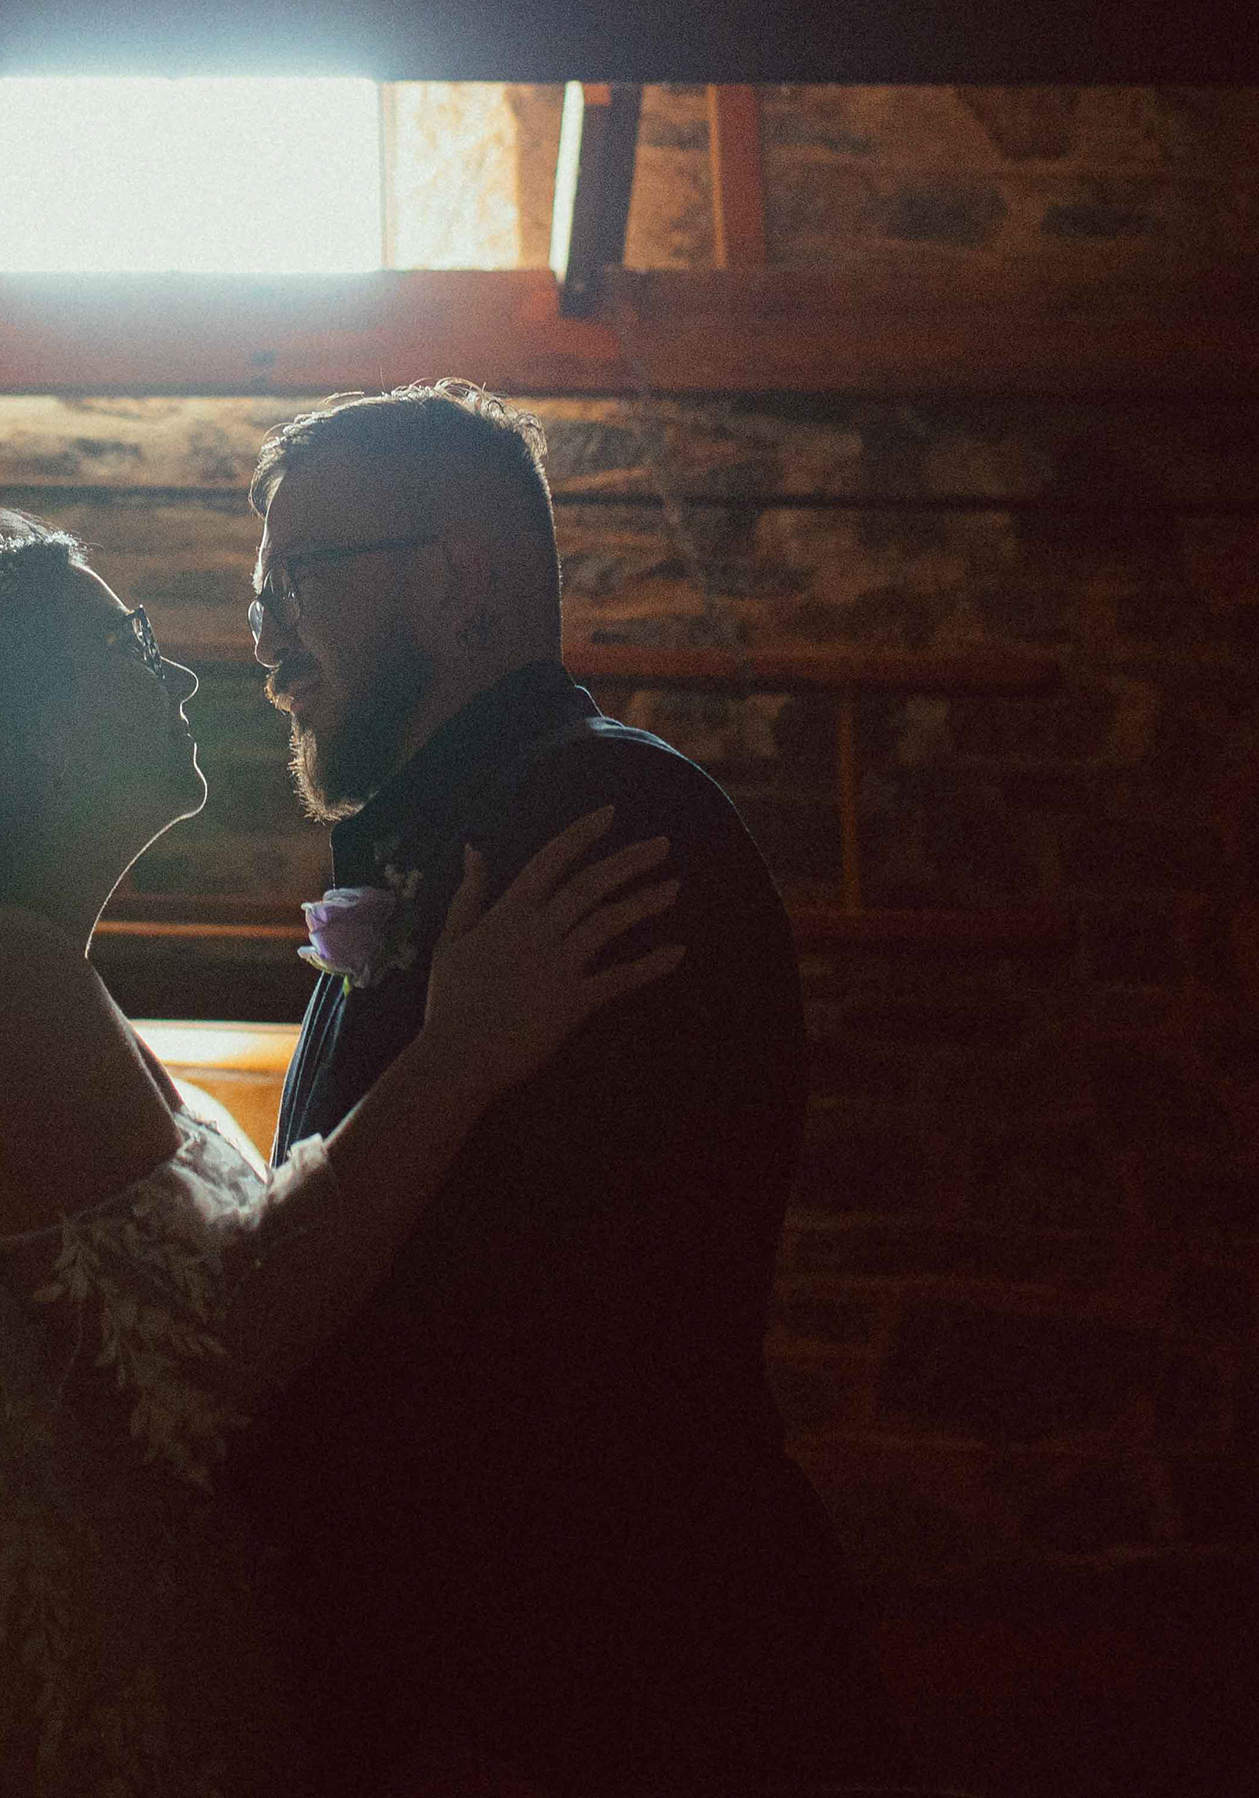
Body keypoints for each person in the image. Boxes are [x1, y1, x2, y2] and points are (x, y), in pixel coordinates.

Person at [0, 513, 685, 1797]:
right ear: (28, 718)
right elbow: (218, 1346)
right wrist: (466, 1049)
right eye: (127, 642)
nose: (184, 671)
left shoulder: (5, 973)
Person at [233, 382, 914, 1795]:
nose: (261, 631)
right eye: (257, 587)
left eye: (298, 575)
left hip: (592, 1698)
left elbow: (547, 1327)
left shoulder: (599, 818)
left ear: (459, 577)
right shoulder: (446, 828)